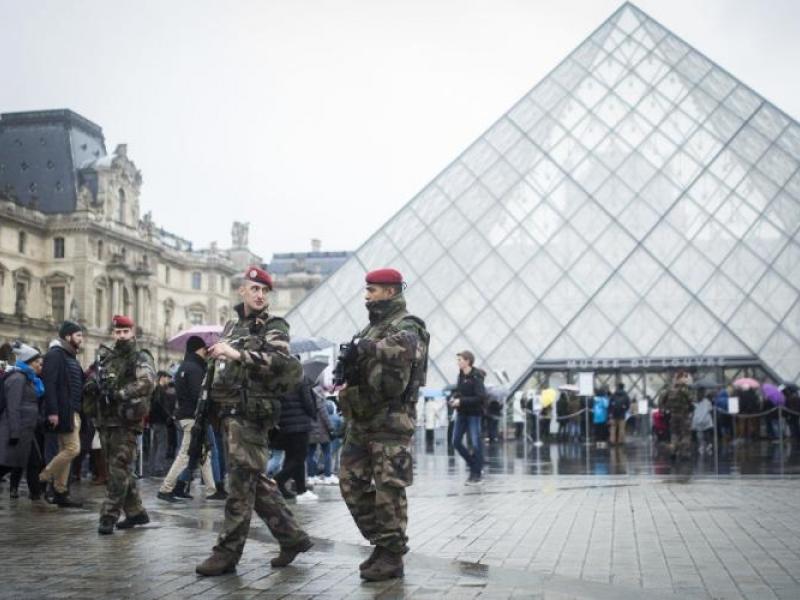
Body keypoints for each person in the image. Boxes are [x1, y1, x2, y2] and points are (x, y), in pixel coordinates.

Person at [195, 266, 312, 576]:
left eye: (264, 290)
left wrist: (236, 355)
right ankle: (292, 537)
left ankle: (227, 553)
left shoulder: (274, 326)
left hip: (252, 416)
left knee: (239, 486)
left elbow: (280, 361)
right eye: (254, 289)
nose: (260, 295)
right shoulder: (232, 326)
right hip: (229, 413)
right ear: (242, 290)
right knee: (253, 481)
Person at [337, 268, 429, 582]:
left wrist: (365, 348)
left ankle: (391, 555)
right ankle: (385, 543)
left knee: (389, 489)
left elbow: (405, 348)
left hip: (391, 420)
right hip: (362, 418)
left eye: (372, 290)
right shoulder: (371, 327)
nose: (367, 296)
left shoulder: (408, 324)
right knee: (350, 483)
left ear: (390, 291)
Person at [84, 315, 156, 535]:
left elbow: (147, 382)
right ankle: (135, 512)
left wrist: (120, 393)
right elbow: (93, 376)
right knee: (118, 469)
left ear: (132, 332)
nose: (122, 336)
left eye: (125, 332)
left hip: (126, 421)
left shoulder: (140, 356)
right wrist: (92, 385)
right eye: (118, 332)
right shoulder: (106, 357)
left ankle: (108, 515)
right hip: (106, 420)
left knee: (117, 469)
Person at [158, 336, 218, 501]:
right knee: (185, 454)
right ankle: (165, 489)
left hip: (186, 415)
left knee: (204, 453)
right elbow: (199, 395)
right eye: (205, 349)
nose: (206, 352)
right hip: (194, 417)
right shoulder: (196, 369)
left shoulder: (184, 366)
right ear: (198, 349)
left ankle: (212, 490)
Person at [38, 320, 85, 507]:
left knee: (66, 451)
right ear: (68, 336)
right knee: (73, 449)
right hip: (63, 412)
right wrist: (53, 412)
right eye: (78, 335)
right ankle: (44, 476)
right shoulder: (55, 355)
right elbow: (49, 384)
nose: (81, 339)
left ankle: (60, 492)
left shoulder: (70, 356)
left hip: (73, 411)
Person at [0, 343, 45, 500]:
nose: (40, 365)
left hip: (27, 430)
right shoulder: (18, 379)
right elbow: (13, 407)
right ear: (28, 363)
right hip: (16, 430)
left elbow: (29, 405)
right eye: (36, 362)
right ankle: (36, 494)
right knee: (5, 466)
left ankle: (36, 495)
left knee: (33, 461)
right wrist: (14, 433)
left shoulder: (27, 379)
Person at [273, 374, 316, 503]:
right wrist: (313, 414)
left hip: (285, 424)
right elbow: (308, 401)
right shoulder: (300, 378)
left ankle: (300, 489)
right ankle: (277, 480)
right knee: (299, 458)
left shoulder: (278, 379)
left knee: (292, 457)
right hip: (300, 423)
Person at [450, 350, 486, 485]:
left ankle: (477, 475)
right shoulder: (460, 375)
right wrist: (454, 398)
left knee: (476, 444)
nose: (458, 362)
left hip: (474, 414)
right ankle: (475, 466)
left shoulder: (476, 377)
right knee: (456, 442)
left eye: (460, 360)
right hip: (462, 413)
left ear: (467, 361)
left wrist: (461, 401)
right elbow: (459, 392)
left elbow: (480, 397)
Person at [307, 379, 335, 486]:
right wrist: (331, 427)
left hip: (310, 429)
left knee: (310, 454)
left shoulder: (307, 394)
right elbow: (324, 413)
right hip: (322, 430)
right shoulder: (319, 394)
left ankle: (311, 476)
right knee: (327, 452)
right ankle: (327, 476)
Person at [661, 371, 694, 463]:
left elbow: (662, 401)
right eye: (685, 377)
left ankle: (673, 450)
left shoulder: (669, 389)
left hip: (673, 415)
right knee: (686, 435)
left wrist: (666, 410)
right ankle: (684, 453)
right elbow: (691, 400)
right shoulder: (685, 389)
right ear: (681, 378)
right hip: (684, 416)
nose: (686, 379)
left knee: (674, 434)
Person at [148, 370, 173, 476]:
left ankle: (152, 467)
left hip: (154, 421)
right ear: (162, 377)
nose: (168, 380)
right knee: (162, 445)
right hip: (160, 421)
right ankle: (158, 468)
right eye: (167, 378)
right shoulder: (160, 391)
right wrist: (168, 416)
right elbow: (160, 406)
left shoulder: (155, 390)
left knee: (155, 445)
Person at [691, 390, 714, 454]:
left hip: (700, 421)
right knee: (705, 435)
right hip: (704, 421)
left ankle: (703, 447)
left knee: (702, 435)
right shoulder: (707, 402)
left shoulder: (695, 402)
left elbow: (692, 411)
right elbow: (710, 410)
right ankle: (707, 446)